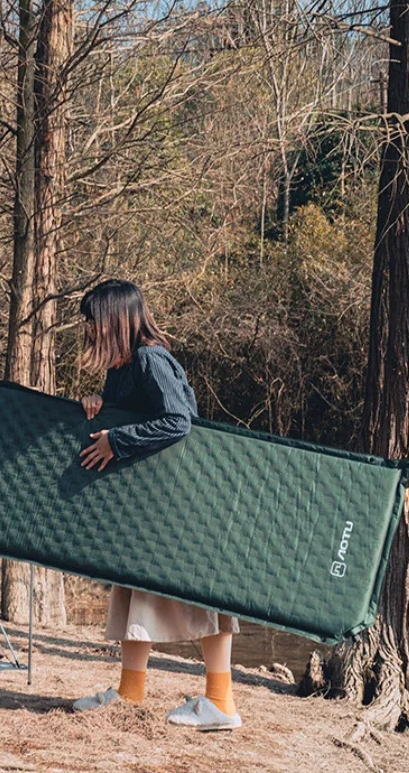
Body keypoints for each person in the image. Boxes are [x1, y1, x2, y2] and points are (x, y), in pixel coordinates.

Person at [71, 279, 241, 731]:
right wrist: (99, 406)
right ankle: (130, 694)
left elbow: (177, 421)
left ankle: (221, 704)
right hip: (152, 507)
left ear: (116, 320)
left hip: (186, 502)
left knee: (200, 597)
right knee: (134, 591)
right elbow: (131, 413)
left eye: (93, 322)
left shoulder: (150, 358)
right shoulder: (123, 367)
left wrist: (117, 439)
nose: (88, 331)